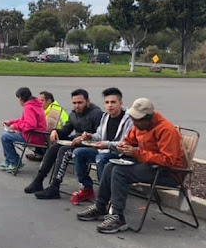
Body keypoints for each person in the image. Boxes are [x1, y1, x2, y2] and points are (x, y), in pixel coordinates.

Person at [77, 98, 183, 234]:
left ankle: (117, 216)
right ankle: (100, 206)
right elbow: (129, 140)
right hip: (149, 165)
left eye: (138, 120)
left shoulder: (166, 130)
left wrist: (137, 153)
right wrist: (124, 145)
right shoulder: (139, 126)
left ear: (149, 117)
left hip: (167, 172)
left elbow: (168, 160)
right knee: (110, 166)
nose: (134, 123)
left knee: (120, 172)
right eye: (133, 118)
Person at [25, 89, 103, 197]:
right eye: (74, 103)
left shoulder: (96, 114)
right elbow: (65, 130)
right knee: (54, 147)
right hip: (77, 142)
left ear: (87, 101)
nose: (77, 106)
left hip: (91, 146)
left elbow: (101, 135)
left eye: (80, 103)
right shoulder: (73, 115)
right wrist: (55, 131)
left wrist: (83, 138)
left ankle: (55, 186)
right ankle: (39, 180)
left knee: (64, 150)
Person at [70, 87, 133, 205]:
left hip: (120, 154)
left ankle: (106, 196)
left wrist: (106, 144)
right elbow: (99, 135)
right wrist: (91, 136)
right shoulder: (105, 117)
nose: (110, 105)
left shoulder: (128, 119)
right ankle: (86, 188)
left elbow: (126, 143)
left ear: (120, 103)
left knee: (101, 159)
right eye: (107, 102)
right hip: (104, 150)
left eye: (113, 102)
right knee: (78, 152)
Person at [0, 87, 47, 172]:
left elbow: (30, 125)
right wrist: (11, 122)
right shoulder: (35, 104)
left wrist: (16, 126)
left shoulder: (28, 107)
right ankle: (9, 161)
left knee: (5, 137)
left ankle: (14, 162)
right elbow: (24, 120)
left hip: (33, 136)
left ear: (21, 98)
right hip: (38, 135)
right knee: (6, 136)